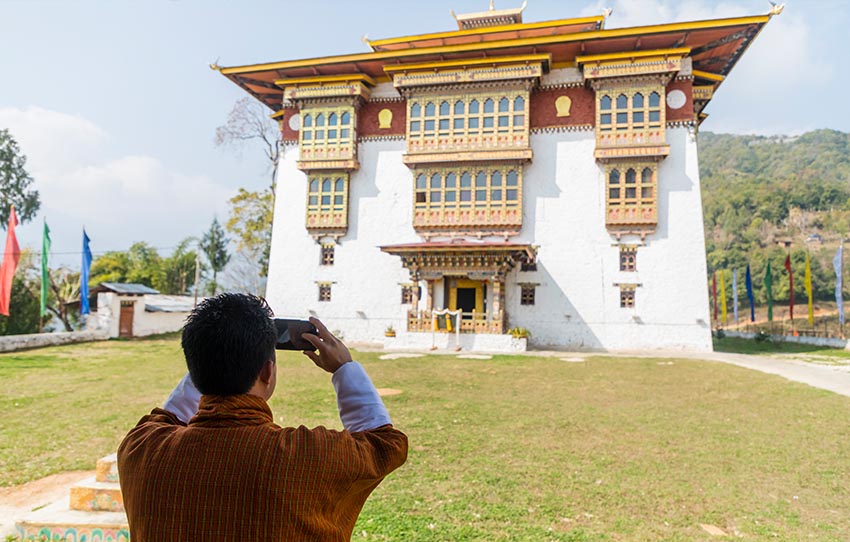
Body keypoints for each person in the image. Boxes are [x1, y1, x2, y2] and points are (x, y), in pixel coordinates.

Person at [117, 293, 408, 541]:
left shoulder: (141, 448)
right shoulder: (306, 458)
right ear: (267, 373)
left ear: (194, 367)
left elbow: (171, 415)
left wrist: (215, 352)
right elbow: (385, 443)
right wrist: (344, 367)